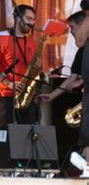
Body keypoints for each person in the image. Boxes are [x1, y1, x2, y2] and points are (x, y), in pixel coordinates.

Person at [39, 11, 86, 162]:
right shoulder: (82, 51)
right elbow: (72, 77)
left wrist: (81, 82)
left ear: (83, 25)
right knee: (86, 137)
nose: (70, 31)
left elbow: (78, 79)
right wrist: (52, 96)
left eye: (72, 27)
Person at [0, 4, 41, 127]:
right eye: (29, 18)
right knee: (4, 136)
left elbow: (34, 71)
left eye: (33, 19)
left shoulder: (32, 42)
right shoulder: (1, 38)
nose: (32, 23)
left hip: (26, 96)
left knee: (26, 136)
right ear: (18, 18)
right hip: (6, 95)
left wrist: (37, 68)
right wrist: (8, 83)